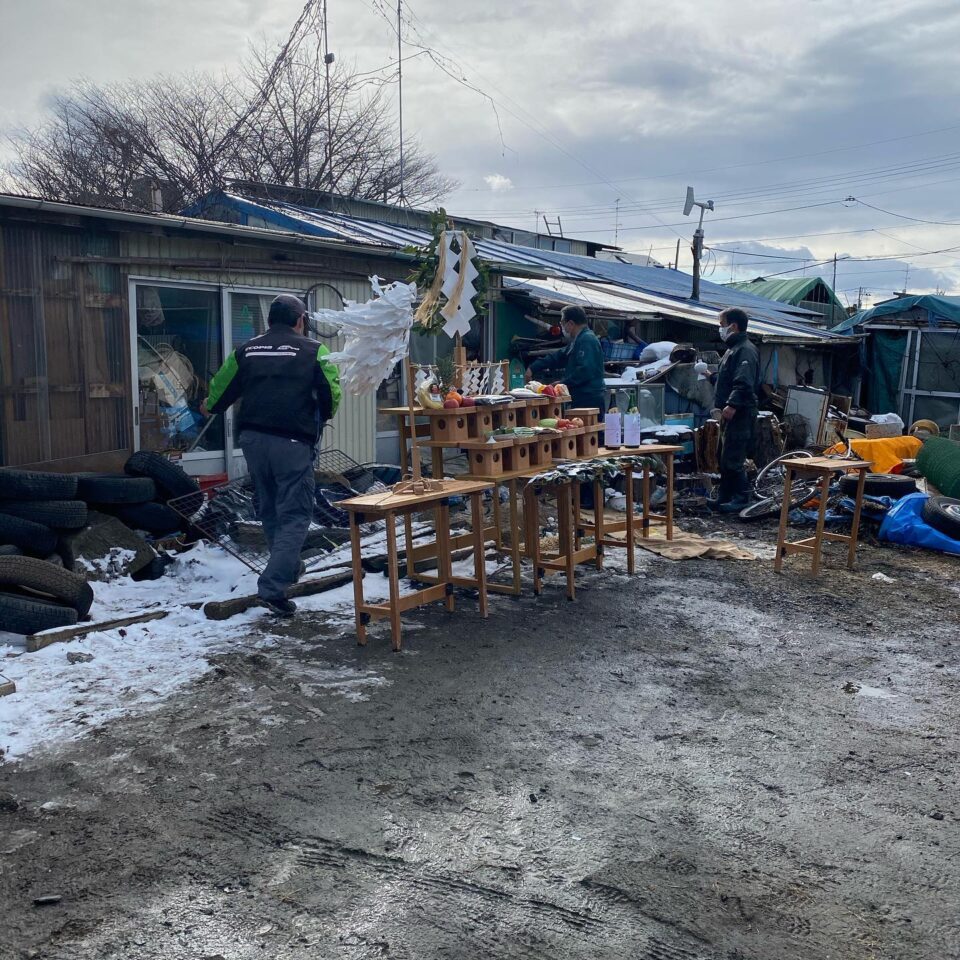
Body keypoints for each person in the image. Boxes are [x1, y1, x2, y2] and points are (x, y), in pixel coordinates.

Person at [202, 294, 341, 616]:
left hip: (252, 440)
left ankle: (287, 565)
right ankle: (273, 588)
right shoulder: (314, 350)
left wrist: (209, 405)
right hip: (292, 441)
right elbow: (331, 395)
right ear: (300, 320)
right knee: (295, 513)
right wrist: (318, 417)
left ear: (270, 321)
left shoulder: (246, 350)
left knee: (270, 507)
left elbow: (220, 391)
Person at [711, 307, 760, 513]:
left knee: (733, 458)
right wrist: (710, 376)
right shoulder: (733, 349)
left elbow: (743, 382)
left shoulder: (745, 350)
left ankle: (742, 497)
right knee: (724, 457)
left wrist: (732, 404)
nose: (720, 329)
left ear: (733, 326)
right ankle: (724, 496)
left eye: (722, 325)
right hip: (730, 412)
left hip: (740, 412)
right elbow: (728, 379)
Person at [525, 305, 605, 411]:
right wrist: (533, 367)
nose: (562, 327)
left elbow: (584, 371)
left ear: (570, 323)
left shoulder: (587, 340)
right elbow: (558, 356)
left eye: (562, 323)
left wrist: (563, 383)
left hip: (589, 398)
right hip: (580, 397)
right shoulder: (578, 340)